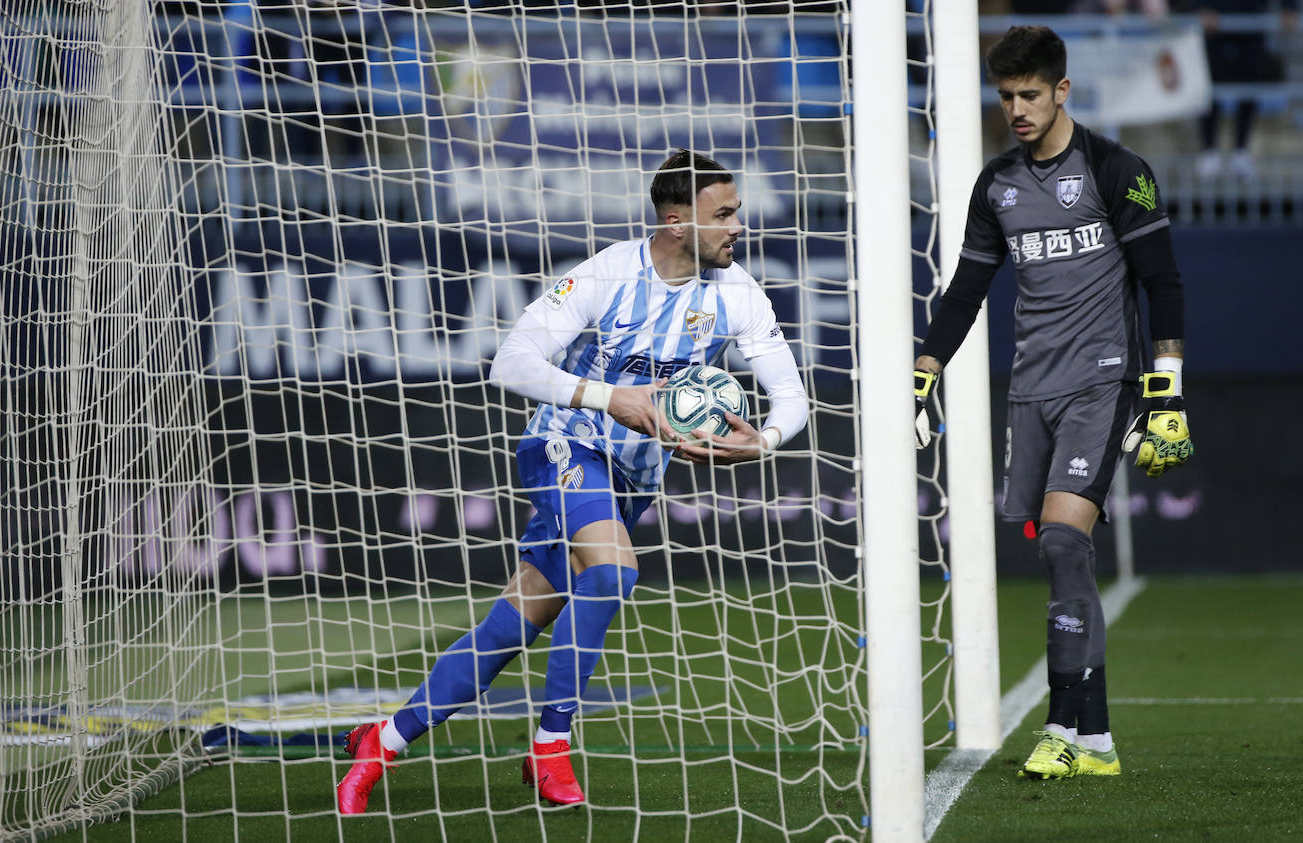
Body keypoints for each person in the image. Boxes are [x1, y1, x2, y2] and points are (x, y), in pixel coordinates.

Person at [336, 149, 809, 812]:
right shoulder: (610, 273)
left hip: (634, 477)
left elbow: (791, 396)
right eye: (723, 214)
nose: (738, 226)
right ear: (677, 222)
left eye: (736, 212)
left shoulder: (738, 296)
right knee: (614, 571)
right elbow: (511, 361)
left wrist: (763, 439)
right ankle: (551, 744)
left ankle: (381, 739)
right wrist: (606, 397)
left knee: (514, 623)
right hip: (565, 441)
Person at [912, 26, 1193, 780]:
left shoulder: (1116, 170)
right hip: (1030, 391)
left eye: (1029, 94)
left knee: (1064, 543)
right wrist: (925, 364)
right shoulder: (996, 185)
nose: (1016, 109)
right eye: (1005, 96)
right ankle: (1098, 741)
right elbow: (967, 289)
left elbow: (1161, 282)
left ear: (1062, 89)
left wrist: (1166, 390)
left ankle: (1061, 724)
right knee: (1060, 558)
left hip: (1103, 384)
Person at [1189, 0, 1299, 180]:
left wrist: (1290, 7)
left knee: (1250, 89)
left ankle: (1241, 152)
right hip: (1212, 29)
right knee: (1208, 90)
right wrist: (1198, 8)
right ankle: (1209, 152)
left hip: (1252, 26)